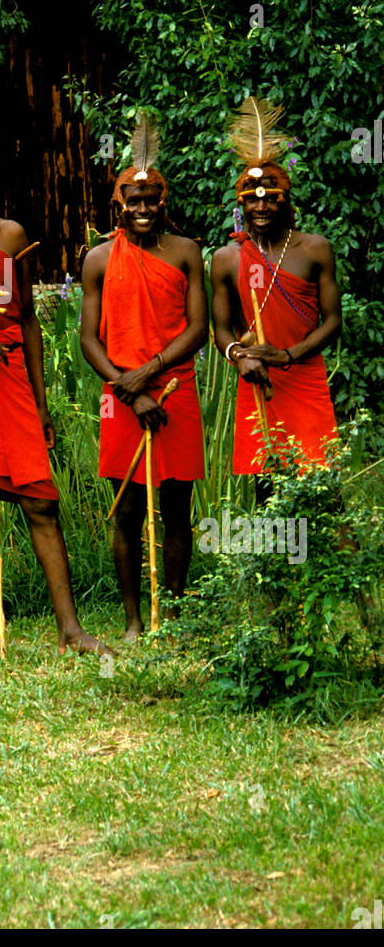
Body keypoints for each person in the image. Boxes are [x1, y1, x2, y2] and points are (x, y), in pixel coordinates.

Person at [0, 137, 113, 657]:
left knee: (39, 500)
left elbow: (28, 317)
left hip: (8, 371)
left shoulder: (11, 235)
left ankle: (70, 629)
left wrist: (40, 400)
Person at [80, 118, 208, 639]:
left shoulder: (184, 251)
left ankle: (171, 616)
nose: (141, 208)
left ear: (162, 200)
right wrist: (127, 390)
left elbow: (199, 328)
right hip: (121, 397)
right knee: (128, 508)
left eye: (150, 199)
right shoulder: (98, 259)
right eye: (132, 200)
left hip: (175, 389)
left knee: (177, 506)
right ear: (119, 204)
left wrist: (149, 375)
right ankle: (134, 620)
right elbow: (89, 339)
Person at [210, 97, 341, 485]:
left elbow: (333, 321)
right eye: (251, 201)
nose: (260, 208)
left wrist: (287, 355)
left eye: (270, 199)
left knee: (322, 485)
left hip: (305, 376)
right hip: (257, 377)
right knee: (269, 486)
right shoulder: (226, 258)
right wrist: (239, 356)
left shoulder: (314, 249)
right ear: (241, 205)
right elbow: (220, 330)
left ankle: (332, 549)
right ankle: (280, 549)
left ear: (285, 201)